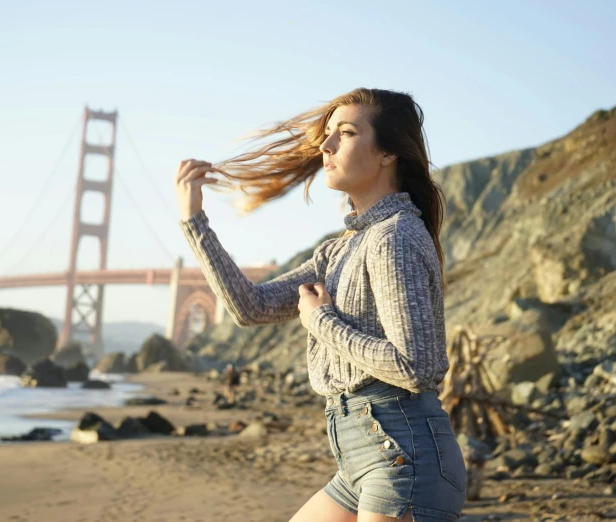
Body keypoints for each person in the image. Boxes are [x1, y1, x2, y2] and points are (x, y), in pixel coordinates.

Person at [174, 88, 466, 522]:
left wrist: (322, 322)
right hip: (363, 462)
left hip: (405, 459)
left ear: (387, 153)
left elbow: (417, 366)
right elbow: (250, 307)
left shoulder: (395, 237)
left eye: (345, 134)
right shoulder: (341, 250)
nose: (325, 146)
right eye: (327, 134)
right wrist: (194, 221)